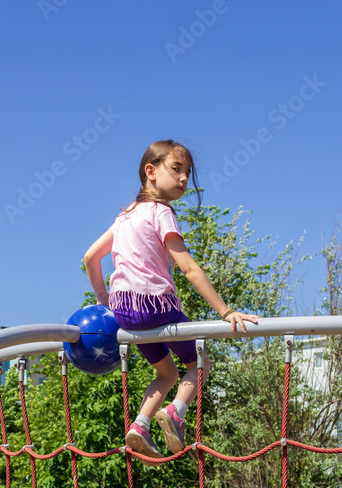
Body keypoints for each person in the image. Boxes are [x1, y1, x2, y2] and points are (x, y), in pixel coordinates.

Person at [83, 139, 259, 460]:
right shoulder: (161, 211)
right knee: (201, 363)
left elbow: (90, 257)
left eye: (187, 173)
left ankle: (140, 424)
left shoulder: (124, 217)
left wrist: (104, 301)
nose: (183, 179)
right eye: (176, 169)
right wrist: (225, 310)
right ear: (150, 172)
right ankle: (176, 412)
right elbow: (189, 268)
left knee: (168, 373)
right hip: (156, 306)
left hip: (125, 313)